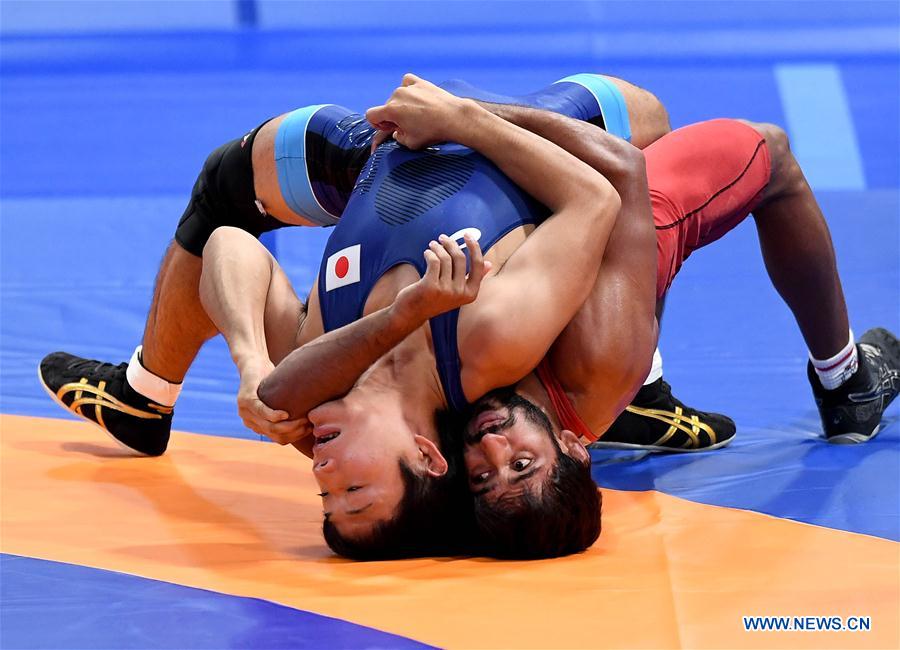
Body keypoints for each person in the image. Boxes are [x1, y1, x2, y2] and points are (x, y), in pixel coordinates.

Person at [38, 72, 733, 459]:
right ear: (427, 461)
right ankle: (646, 386)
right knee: (642, 119)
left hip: (379, 164)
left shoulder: (306, 402)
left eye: (327, 496)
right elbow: (611, 191)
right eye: (349, 491)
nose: (325, 473)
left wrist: (252, 365)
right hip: (516, 154)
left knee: (228, 185)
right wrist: (465, 116)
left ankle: (144, 394)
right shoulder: (490, 352)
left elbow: (228, 243)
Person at [458, 110, 900, 558]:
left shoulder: (451, 445)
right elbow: (623, 172)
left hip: (563, 262)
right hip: (624, 227)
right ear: (572, 447)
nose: (490, 445)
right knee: (771, 154)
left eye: (484, 476)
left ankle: (640, 395)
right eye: (520, 463)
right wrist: (465, 113)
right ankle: (845, 381)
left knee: (643, 124)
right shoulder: (600, 353)